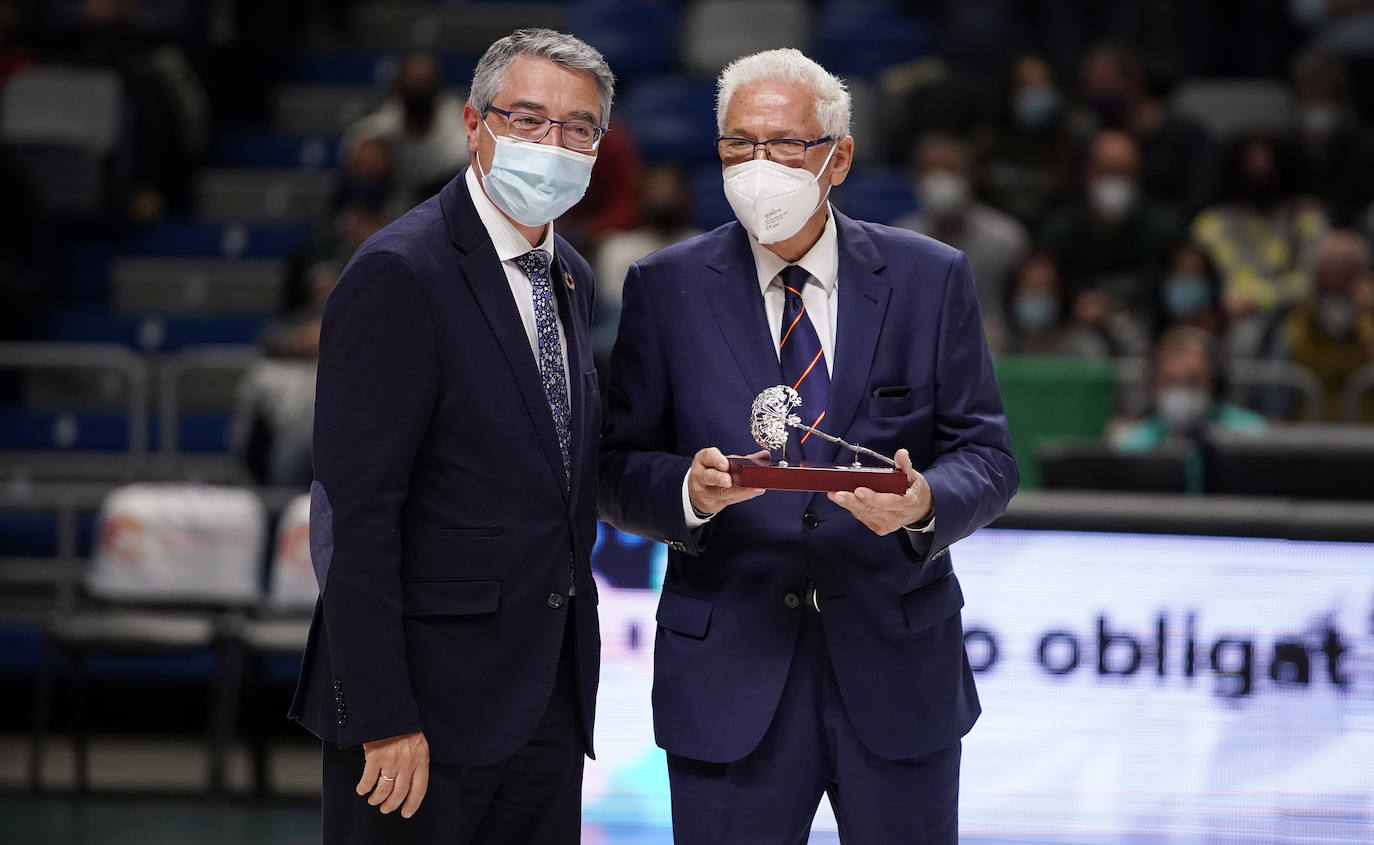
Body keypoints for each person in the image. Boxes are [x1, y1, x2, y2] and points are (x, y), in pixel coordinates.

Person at [599, 48, 1018, 843]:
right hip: (729, 672)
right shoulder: (665, 286)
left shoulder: (931, 279)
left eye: (785, 144)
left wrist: (928, 503)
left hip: (898, 669)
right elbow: (617, 467)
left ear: (839, 156)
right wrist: (687, 492)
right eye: (739, 144)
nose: (759, 164)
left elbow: (989, 457)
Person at [290, 28, 612, 844]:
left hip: (544, 700)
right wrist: (383, 712)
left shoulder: (567, 273)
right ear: (475, 125)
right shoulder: (399, 271)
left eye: (579, 128)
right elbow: (352, 517)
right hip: (420, 714)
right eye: (530, 119)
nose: (555, 143)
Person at [1190, 135, 1329, 355]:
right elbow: (1195, 286)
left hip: (1294, 324)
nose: (1260, 171)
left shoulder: (1306, 220)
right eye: (1251, 163)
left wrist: (1255, 300)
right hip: (1226, 328)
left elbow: (1310, 284)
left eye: (1267, 163)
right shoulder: (1210, 224)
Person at [1041, 129, 1184, 337]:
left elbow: (1182, 291)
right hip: (1077, 337)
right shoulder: (1061, 230)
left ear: (1138, 176)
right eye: (1106, 171)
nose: (1115, 182)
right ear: (1087, 174)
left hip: (1151, 335)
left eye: (1124, 172)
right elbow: (1041, 289)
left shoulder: (1165, 229)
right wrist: (1072, 306)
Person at [895, 133, 1029, 342]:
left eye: (950, 170)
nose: (940, 179)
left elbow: (1026, 307)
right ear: (916, 178)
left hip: (996, 350)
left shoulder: (1007, 239)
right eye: (931, 170)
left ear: (969, 176)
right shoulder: (900, 239)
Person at [1112, 326, 1264, 492]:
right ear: (1154, 385)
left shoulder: (1252, 436)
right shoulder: (1133, 447)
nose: (1181, 390)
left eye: (1193, 380)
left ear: (1215, 383)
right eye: (1170, 381)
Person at [1076, 41, 1219, 216]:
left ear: (1132, 81)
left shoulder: (1188, 135)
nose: (1094, 92)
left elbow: (1199, 200)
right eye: (1089, 84)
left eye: (1103, 82)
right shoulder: (1096, 134)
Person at [592, 163, 700, 360]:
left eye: (670, 190)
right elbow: (616, 307)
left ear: (686, 196)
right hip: (624, 340)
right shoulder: (616, 247)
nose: (663, 198)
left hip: (691, 339)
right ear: (641, 197)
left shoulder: (705, 247)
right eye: (656, 189)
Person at [1266, 229, 1374, 422]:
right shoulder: (1292, 331)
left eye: (1343, 287)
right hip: (1308, 447)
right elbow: (1275, 410)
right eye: (1328, 288)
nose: (1336, 296)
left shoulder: (1369, 327)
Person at [341, 52, 470, 208]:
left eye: (424, 82)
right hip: (393, 197)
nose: (417, 88)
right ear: (399, 86)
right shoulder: (390, 117)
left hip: (439, 195)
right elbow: (361, 138)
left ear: (437, 85)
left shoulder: (455, 122)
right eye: (412, 81)